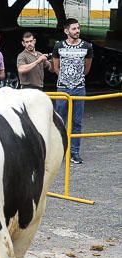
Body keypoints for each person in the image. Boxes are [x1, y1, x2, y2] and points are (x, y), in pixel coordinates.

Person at [52, 18, 93, 164]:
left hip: (79, 88)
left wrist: (76, 79)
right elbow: (55, 67)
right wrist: (65, 79)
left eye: (78, 28)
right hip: (62, 88)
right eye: (74, 28)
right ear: (66, 31)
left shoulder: (87, 46)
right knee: (60, 121)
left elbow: (87, 69)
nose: (77, 31)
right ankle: (60, 151)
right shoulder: (58, 46)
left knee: (76, 122)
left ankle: (74, 152)